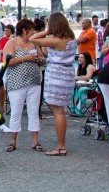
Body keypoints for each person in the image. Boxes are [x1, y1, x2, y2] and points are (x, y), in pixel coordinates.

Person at [30, 12, 77, 156]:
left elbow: (32, 38)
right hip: (67, 74)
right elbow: (46, 51)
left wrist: (47, 31)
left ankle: (61, 146)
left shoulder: (56, 40)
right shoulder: (71, 38)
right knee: (60, 111)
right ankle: (61, 145)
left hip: (56, 75)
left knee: (58, 112)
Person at [2, 19, 46, 153]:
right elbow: (7, 62)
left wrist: (40, 60)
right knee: (16, 111)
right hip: (17, 82)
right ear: (24, 30)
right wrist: (25, 58)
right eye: (31, 30)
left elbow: (43, 60)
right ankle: (13, 140)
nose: (34, 32)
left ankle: (35, 141)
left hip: (34, 81)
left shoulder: (35, 43)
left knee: (34, 112)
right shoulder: (12, 43)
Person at [69, 52, 98, 117]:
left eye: (82, 57)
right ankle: (74, 109)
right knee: (73, 88)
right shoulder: (80, 67)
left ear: (86, 59)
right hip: (83, 84)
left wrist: (75, 78)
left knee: (82, 90)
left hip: (92, 85)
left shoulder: (90, 66)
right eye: (79, 57)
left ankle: (79, 110)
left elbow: (88, 77)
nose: (79, 59)